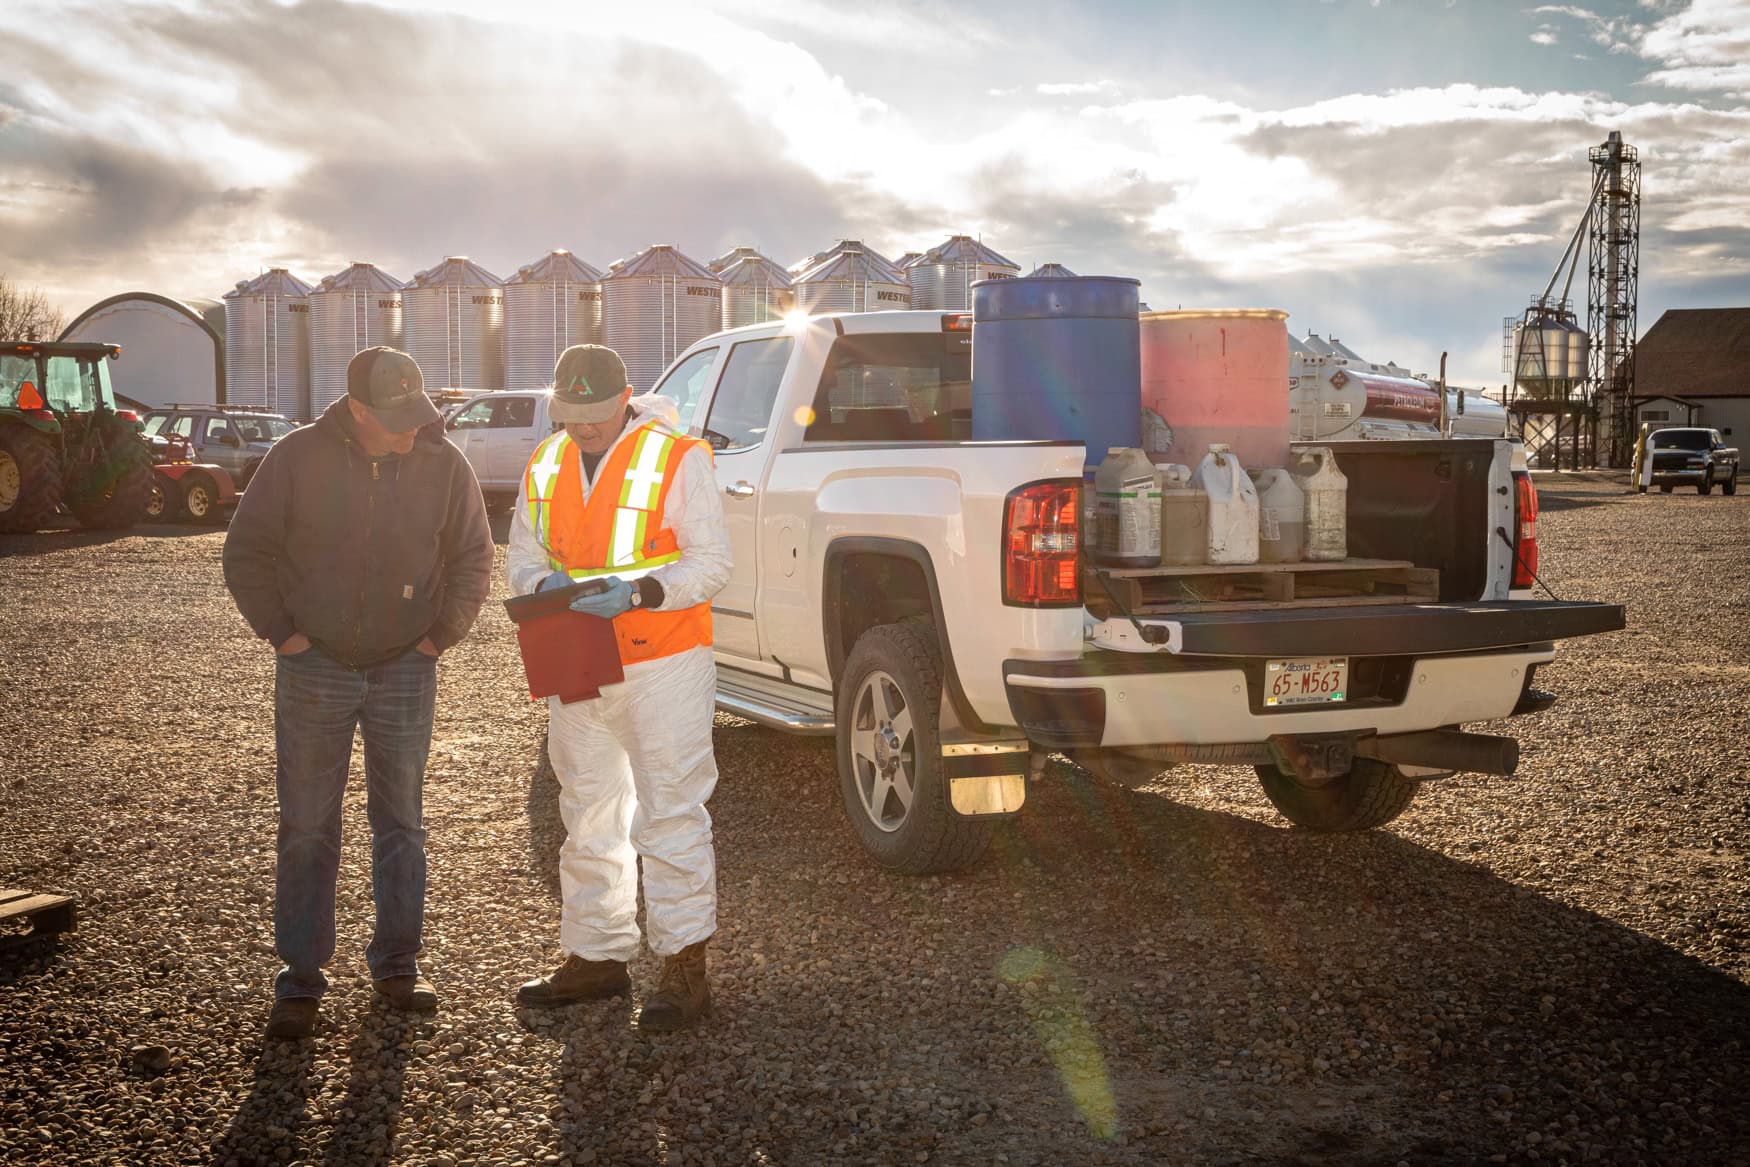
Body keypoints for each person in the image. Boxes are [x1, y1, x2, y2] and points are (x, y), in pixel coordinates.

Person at [222, 347, 493, 1040]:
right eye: (397, 420)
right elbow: (246, 549)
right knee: (307, 823)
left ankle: (398, 965)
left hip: (407, 664)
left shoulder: (444, 463)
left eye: (418, 416)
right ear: (357, 410)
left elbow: (472, 555)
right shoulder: (295, 458)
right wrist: (283, 634)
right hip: (314, 666)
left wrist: (439, 636)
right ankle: (302, 978)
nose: (412, 432)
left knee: (402, 819)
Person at [508, 344, 730, 1031]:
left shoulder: (678, 457)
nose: (585, 431)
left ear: (627, 396)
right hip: (578, 655)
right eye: (571, 419)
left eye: (596, 418)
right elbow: (522, 554)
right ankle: (597, 953)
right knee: (587, 808)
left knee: (670, 808)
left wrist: (642, 590)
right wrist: (546, 586)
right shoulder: (545, 462)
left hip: (662, 660)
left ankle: (683, 964)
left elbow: (712, 564)